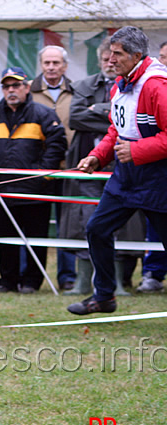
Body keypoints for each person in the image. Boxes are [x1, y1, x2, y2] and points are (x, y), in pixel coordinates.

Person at [67, 26, 167, 315]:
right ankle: (104, 297)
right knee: (97, 230)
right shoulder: (120, 84)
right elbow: (116, 129)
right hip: (125, 177)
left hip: (158, 179)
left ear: (136, 55)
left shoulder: (156, 85)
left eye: (117, 54)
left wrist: (136, 151)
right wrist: (97, 156)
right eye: (110, 52)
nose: (110, 59)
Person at [61, 38, 144, 297]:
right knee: (88, 221)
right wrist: (112, 119)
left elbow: (130, 121)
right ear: (100, 60)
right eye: (107, 57)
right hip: (91, 164)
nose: (111, 62)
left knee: (126, 223)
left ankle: (118, 282)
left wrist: (98, 110)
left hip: (127, 164)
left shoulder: (141, 86)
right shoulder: (84, 85)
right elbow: (75, 118)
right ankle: (86, 283)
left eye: (116, 56)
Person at [0, 67, 67, 294]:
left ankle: (32, 282)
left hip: (36, 191)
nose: (11, 90)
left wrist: (42, 174)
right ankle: (7, 281)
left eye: (16, 85)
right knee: (6, 240)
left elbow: (57, 146)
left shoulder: (43, 114)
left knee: (35, 239)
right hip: (4, 191)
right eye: (7, 86)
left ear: (26, 88)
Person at [30, 45, 76, 291]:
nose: (51, 67)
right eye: (47, 63)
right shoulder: (29, 90)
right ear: (41, 65)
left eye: (56, 63)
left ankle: (67, 277)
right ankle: (32, 277)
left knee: (67, 225)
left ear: (65, 66)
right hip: (37, 169)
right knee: (34, 222)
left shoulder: (78, 91)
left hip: (69, 168)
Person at [136, 40, 167, 294]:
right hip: (157, 168)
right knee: (156, 222)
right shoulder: (152, 87)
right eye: (162, 57)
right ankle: (153, 273)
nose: (163, 63)